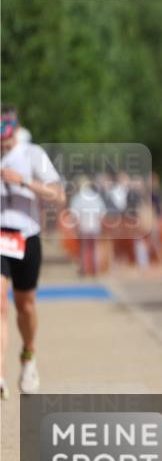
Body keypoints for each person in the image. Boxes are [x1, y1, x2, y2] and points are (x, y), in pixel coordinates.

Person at [0, 106, 65, 398]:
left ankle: (28, 355)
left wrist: (23, 182)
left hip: (26, 236)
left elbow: (59, 196)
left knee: (25, 306)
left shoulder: (31, 154)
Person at [68, 175, 106, 276]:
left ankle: (85, 269)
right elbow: (102, 213)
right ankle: (95, 269)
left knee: (84, 249)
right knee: (95, 248)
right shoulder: (96, 196)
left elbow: (74, 215)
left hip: (84, 226)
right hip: (95, 226)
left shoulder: (78, 198)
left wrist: (75, 227)